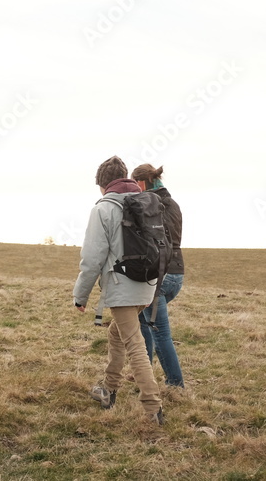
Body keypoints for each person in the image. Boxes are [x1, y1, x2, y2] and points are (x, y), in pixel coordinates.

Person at [73, 156, 164, 424]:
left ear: (103, 185)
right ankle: (108, 389)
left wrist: (80, 295)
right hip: (146, 284)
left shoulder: (103, 209)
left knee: (134, 344)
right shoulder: (146, 202)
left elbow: (92, 259)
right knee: (117, 334)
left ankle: (152, 408)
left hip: (122, 286)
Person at [131, 164, 185, 389]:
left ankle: (176, 385)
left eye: (134, 184)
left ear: (141, 183)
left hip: (159, 277)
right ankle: (145, 377)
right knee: (145, 323)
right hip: (177, 274)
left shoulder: (149, 206)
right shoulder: (173, 204)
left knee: (160, 332)